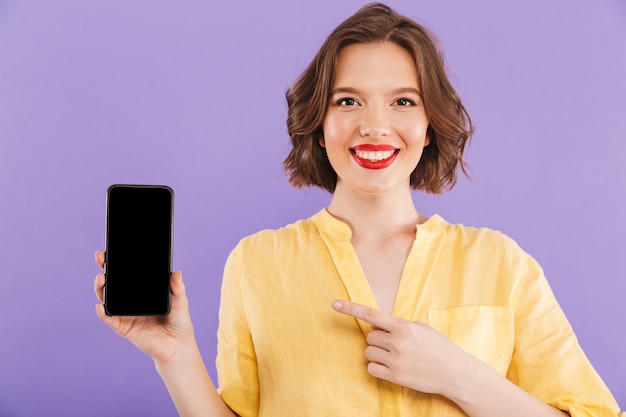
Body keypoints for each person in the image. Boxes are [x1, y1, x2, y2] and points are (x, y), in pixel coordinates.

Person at [93, 3, 622, 416]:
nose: (374, 124)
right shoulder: (257, 262)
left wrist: (458, 375)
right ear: (319, 127)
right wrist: (175, 356)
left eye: (403, 101)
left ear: (429, 124)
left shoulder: (502, 262)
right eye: (348, 101)